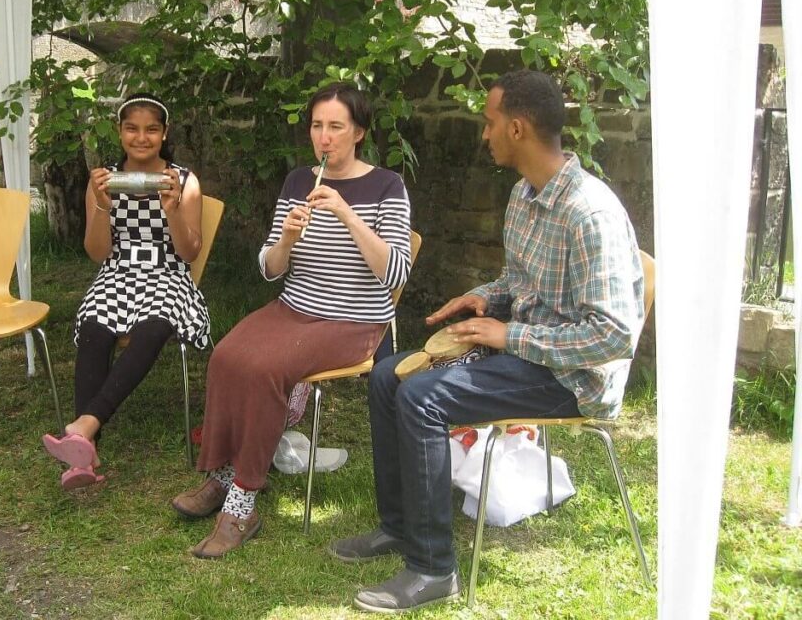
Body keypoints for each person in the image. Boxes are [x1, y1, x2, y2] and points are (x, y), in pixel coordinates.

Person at [330, 70, 645, 613]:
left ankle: (433, 570)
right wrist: (480, 298)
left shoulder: (590, 213)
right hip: (526, 352)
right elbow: (519, 284)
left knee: (424, 398)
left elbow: (613, 336)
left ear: (518, 128)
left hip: (575, 379)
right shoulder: (524, 195)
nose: (484, 133)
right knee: (388, 375)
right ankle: (400, 527)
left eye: (490, 121)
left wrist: (508, 333)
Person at [171, 82, 412, 558]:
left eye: (336, 127)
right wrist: (285, 239)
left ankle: (242, 504)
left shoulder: (387, 186)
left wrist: (346, 214)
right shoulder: (298, 181)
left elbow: (397, 272)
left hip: (353, 320)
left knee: (263, 369)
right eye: (317, 126)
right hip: (294, 306)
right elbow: (269, 269)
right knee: (227, 356)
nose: (324, 138)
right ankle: (221, 476)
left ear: (358, 132)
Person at [41, 93, 210, 490]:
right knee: (96, 326)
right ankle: (85, 453)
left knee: (154, 326)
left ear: (164, 134)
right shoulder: (104, 179)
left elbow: (190, 252)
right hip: (118, 273)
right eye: (132, 128)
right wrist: (101, 205)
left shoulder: (183, 181)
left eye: (151, 129)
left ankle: (86, 427)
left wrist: (170, 208)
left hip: (168, 273)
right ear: (120, 132)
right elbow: (98, 253)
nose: (141, 137)